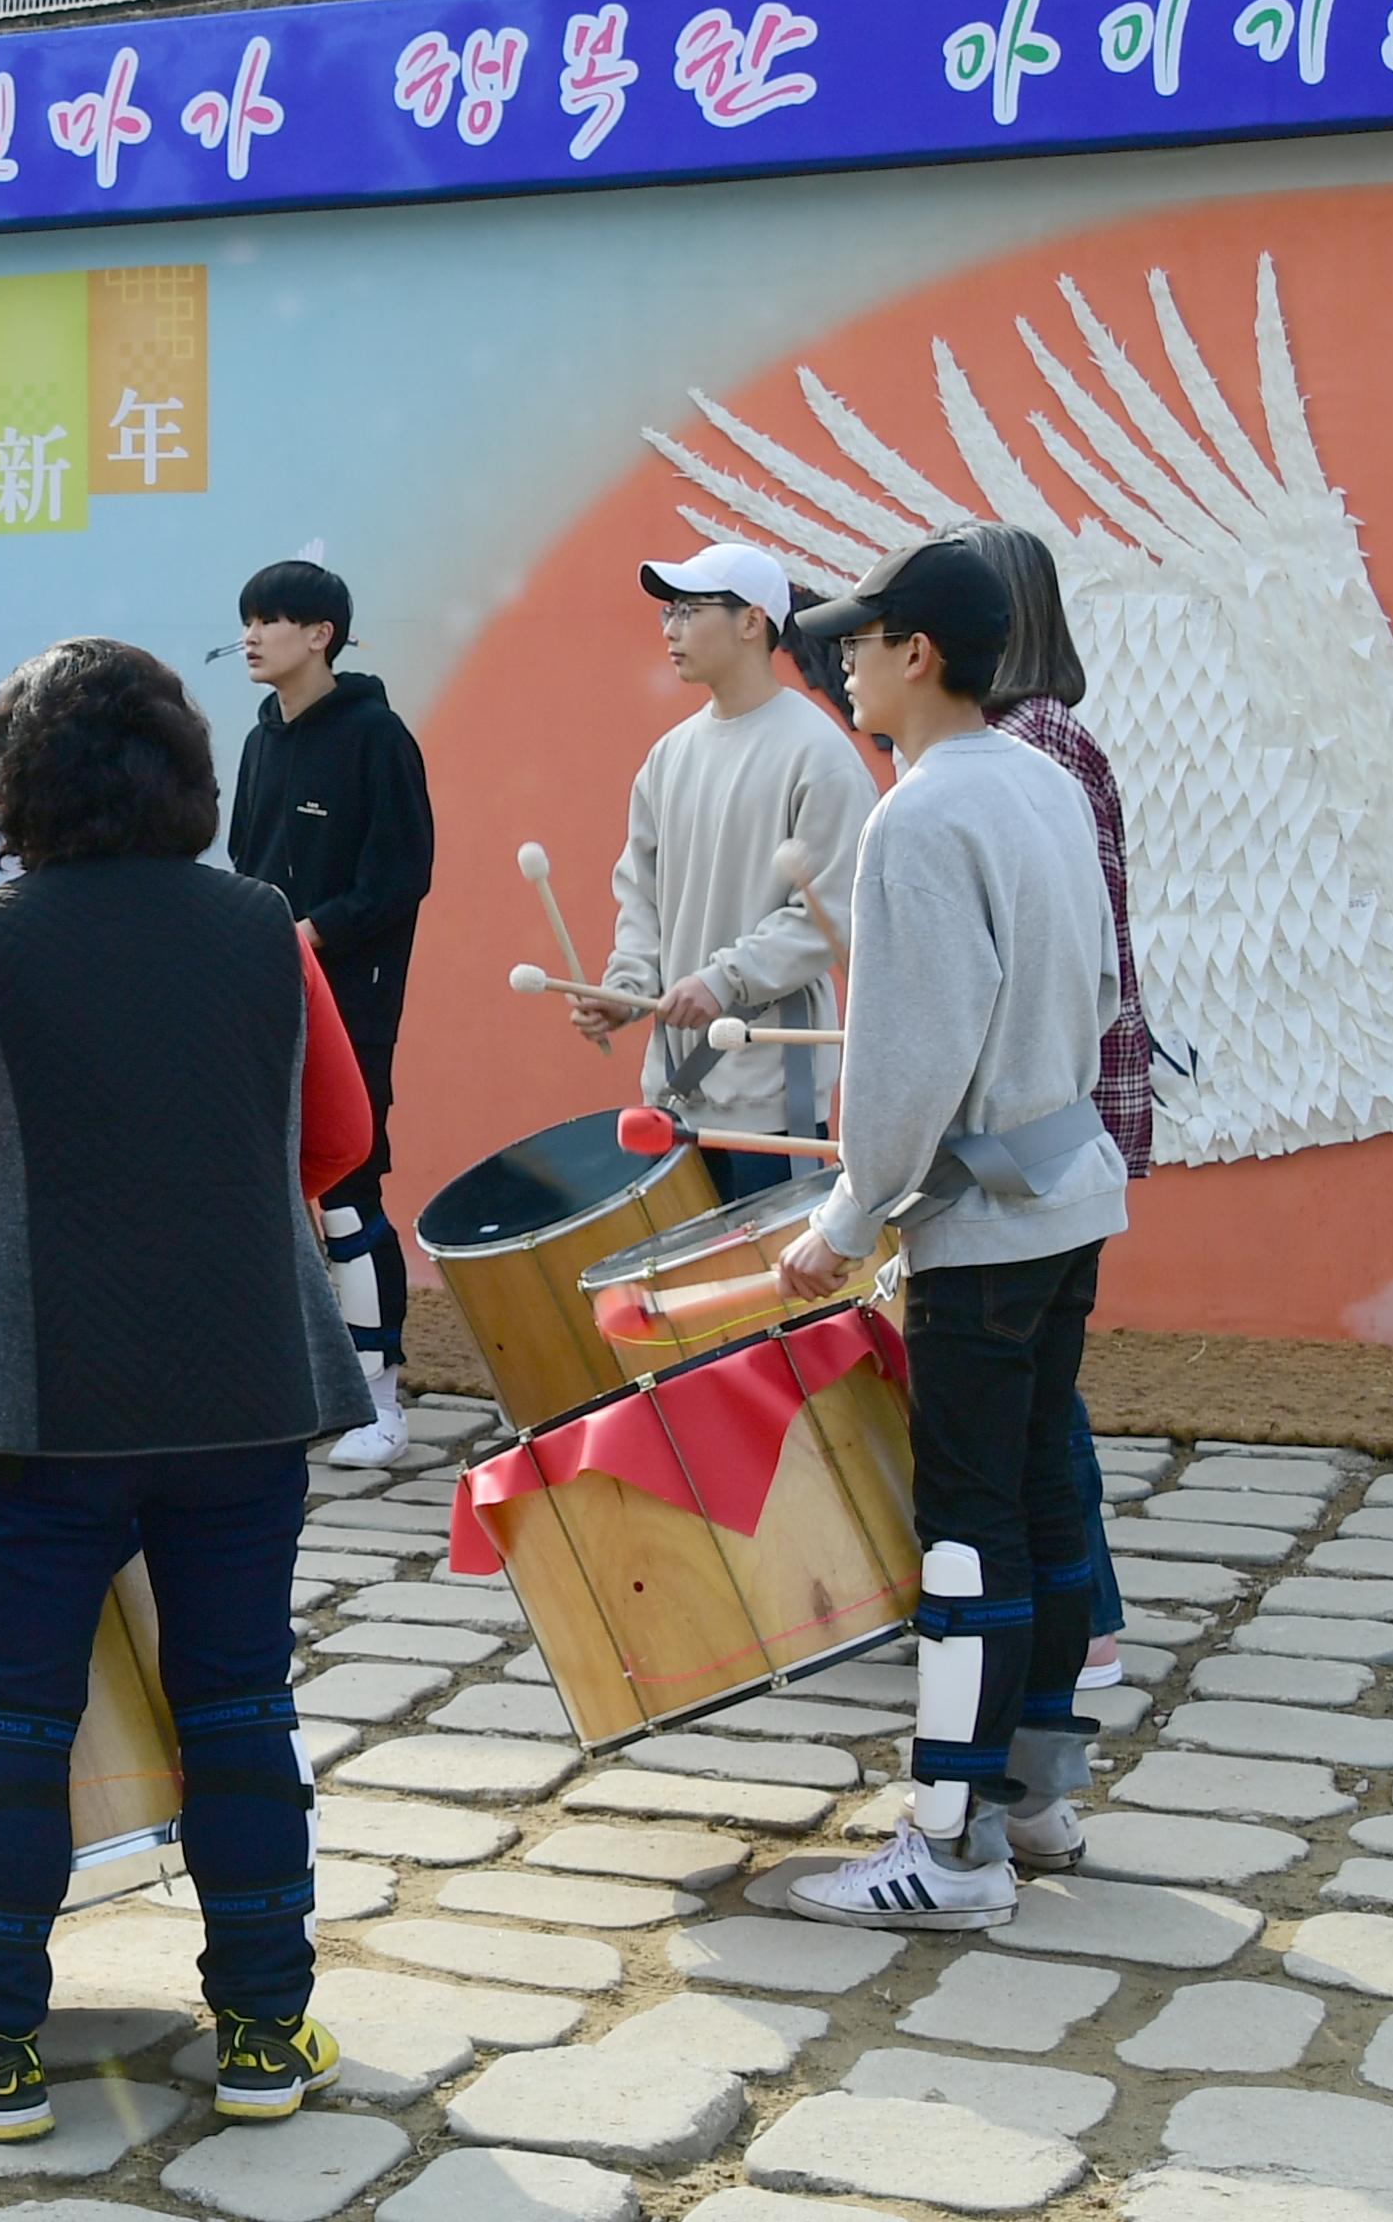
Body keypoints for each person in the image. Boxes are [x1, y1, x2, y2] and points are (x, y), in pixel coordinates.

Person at [0, 639, 376, 2143]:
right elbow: (337, 1137)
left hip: (47, 1398)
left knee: (15, 1716)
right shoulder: (267, 930)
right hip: (245, 1387)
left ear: (20, 787)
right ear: (186, 773)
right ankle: (269, 2033)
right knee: (241, 1698)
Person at [778, 538, 1129, 1930]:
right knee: (1043, 1495)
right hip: (1070, 1195)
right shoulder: (1043, 780)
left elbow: (909, 1065)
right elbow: (1102, 986)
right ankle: (1039, 1799)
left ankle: (950, 1843)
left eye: (857, 644)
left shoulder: (917, 818)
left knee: (970, 1532)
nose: (845, 665)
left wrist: (848, 1221)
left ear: (915, 656)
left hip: (980, 1230)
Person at [962, 520, 1152, 1695]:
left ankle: (1085, 1623)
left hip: (1043, 1102)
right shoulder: (1044, 738)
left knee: (1036, 1388)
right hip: (1061, 1094)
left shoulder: (1028, 744)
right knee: (1037, 1380)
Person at [576, 542, 876, 1202]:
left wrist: (723, 978)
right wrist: (625, 988)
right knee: (695, 1295)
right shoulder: (668, 756)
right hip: (676, 1087)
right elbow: (641, 897)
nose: (670, 627)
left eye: (689, 609)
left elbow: (836, 913)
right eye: (667, 612)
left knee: (784, 1296)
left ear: (752, 622)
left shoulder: (818, 753)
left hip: (773, 1092)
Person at [223, 559, 435, 1464]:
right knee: (271, 1194)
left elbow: (401, 877)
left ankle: (380, 1395)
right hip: (267, 995)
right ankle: (298, 1382)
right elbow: (243, 859)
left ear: (322, 635)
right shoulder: (260, 736)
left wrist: (313, 931)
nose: (252, 635)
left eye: (272, 620)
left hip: (351, 1001)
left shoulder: (377, 736)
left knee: (350, 1191)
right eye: (247, 619)